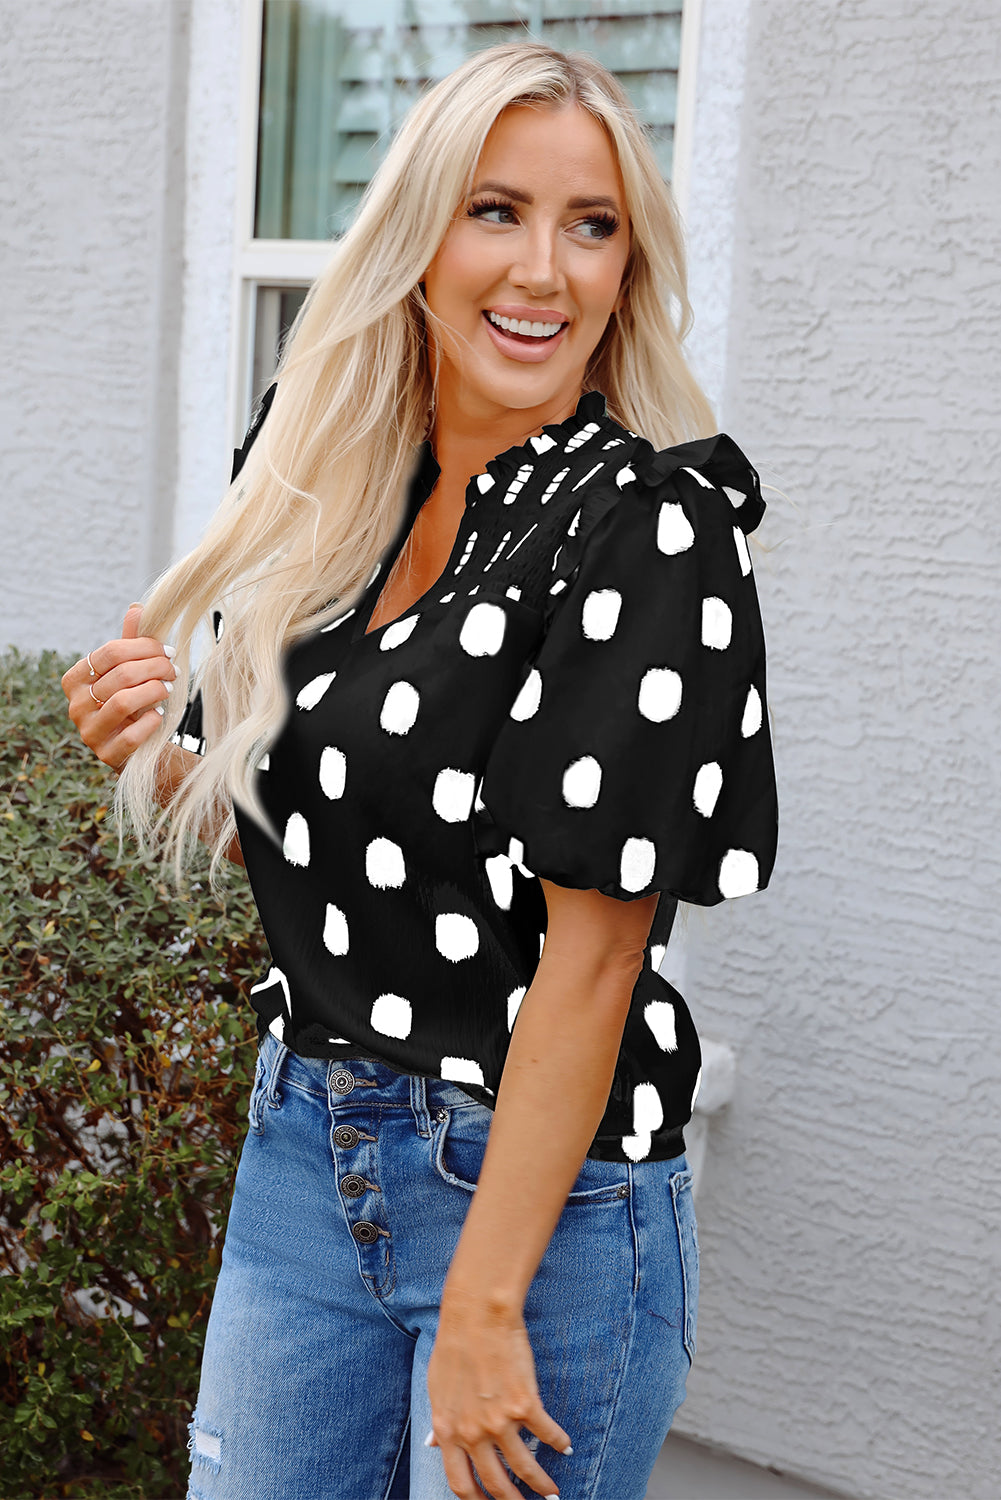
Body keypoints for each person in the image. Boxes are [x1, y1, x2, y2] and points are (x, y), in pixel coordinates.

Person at [61, 40, 778, 1500]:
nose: (543, 271)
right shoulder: (331, 476)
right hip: (306, 1150)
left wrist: (485, 1303)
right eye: (495, 210)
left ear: (628, 269)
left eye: (591, 226)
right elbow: (336, 842)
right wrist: (160, 758)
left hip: (546, 1210)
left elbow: (596, 954)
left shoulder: (647, 526)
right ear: (417, 237)